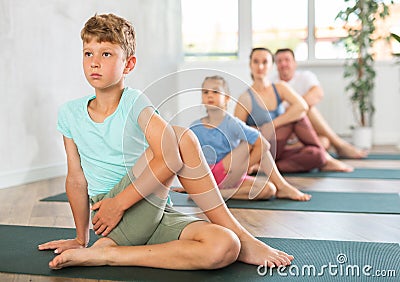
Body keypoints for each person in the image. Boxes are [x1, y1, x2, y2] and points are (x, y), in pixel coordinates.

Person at [38, 14, 294, 270]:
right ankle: (243, 236)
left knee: (225, 246)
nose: (94, 62)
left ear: (128, 65)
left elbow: (170, 159)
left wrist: (120, 204)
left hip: (151, 212)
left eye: (106, 54)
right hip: (112, 216)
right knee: (181, 137)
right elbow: (75, 179)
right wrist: (81, 238)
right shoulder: (69, 114)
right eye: (88, 53)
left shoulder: (134, 102)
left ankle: (108, 254)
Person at [185, 75, 310, 201]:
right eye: (205, 92)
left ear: (227, 98)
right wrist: (189, 185)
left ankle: (216, 194)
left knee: (269, 190)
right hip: (211, 176)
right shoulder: (195, 127)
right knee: (253, 142)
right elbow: (189, 161)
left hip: (232, 177)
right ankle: (282, 185)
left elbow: (264, 145)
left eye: (216, 92)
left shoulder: (232, 123)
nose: (210, 95)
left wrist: (245, 167)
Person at [234, 47, 353, 173]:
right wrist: (258, 130)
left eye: (265, 62)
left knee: (315, 154)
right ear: (250, 65)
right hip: (262, 147)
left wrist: (272, 125)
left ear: (271, 65)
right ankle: (326, 159)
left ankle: (264, 168)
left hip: (280, 146)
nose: (260, 66)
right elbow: (236, 132)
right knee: (297, 117)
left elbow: (303, 106)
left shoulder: (280, 88)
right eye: (256, 62)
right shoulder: (245, 98)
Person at [274, 48, 367, 159]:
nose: (283, 64)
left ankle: (296, 152)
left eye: (287, 60)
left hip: (302, 130)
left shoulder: (305, 76)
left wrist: (294, 110)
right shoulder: (271, 83)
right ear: (276, 65)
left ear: (294, 63)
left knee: (324, 141)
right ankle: (339, 144)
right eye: (279, 61)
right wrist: (293, 113)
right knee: (306, 110)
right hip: (283, 130)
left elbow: (317, 93)